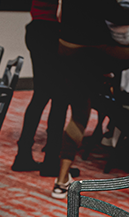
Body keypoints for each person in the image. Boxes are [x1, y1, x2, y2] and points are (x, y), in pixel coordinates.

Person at [51, 0, 129, 199]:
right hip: (91, 51)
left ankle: (61, 181)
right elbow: (116, 15)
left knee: (79, 114)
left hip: (66, 50)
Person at [11, 0, 69, 173]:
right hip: (53, 31)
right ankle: (51, 160)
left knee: (41, 94)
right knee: (60, 98)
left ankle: (23, 154)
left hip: (37, 28)